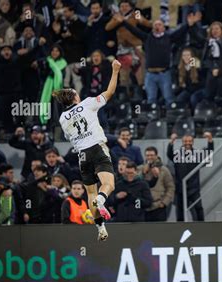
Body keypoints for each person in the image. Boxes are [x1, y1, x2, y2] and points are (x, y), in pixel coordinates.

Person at [53, 58, 122, 241]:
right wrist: (115, 71)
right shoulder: (88, 103)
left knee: (90, 193)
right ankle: (102, 199)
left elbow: (69, 137)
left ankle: (100, 228)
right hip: (97, 149)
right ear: (76, 97)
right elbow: (110, 92)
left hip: (82, 156)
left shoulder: (62, 119)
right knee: (109, 185)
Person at [167, 132, 214, 221]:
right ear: (182, 142)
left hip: (194, 188)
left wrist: (210, 140)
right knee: (180, 210)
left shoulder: (197, 154)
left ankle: (201, 226)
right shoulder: (177, 154)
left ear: (193, 142)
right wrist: (172, 141)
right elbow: (169, 154)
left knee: (198, 208)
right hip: (180, 188)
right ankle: (180, 227)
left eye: (189, 141)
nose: (187, 143)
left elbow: (209, 155)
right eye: (185, 141)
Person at [138, 146, 175, 222]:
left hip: (159, 206)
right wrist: (143, 173)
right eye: (148, 155)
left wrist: (164, 203)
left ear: (156, 156)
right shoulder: (140, 168)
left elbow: (170, 187)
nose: (149, 157)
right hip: (143, 207)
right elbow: (135, 184)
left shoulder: (164, 170)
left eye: (152, 155)